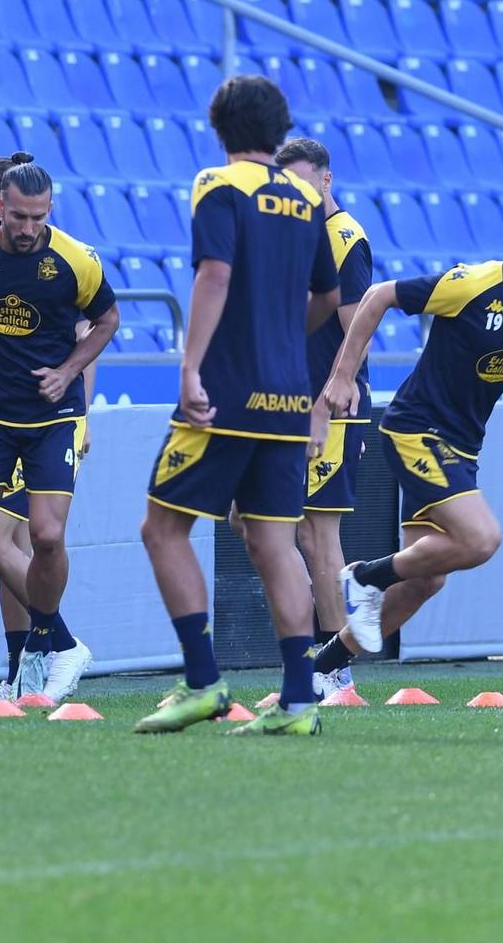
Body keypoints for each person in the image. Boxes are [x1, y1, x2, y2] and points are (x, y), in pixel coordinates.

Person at [312, 204, 503, 689]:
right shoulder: (472, 285)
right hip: (415, 429)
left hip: (463, 448)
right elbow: (379, 295)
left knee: (426, 580)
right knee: (482, 538)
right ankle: (364, 577)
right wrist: (342, 377)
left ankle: (322, 670)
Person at [131, 78, 342, 737]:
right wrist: (278, 333)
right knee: (275, 542)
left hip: (224, 394)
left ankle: (203, 680)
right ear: (279, 131)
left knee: (162, 528)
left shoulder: (217, 184)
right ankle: (301, 702)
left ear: (219, 127)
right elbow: (327, 298)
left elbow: (214, 273)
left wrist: (191, 364)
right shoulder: (308, 197)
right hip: (287, 395)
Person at [0, 154, 118, 708]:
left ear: (49, 210)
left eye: (38, 217)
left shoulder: (76, 260)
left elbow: (107, 320)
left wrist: (69, 373)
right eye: (18, 217)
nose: (29, 229)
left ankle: (41, 649)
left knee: (47, 537)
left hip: (53, 421)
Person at [273, 137, 373, 702]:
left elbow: (357, 328)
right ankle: (309, 659)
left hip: (330, 408)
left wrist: (328, 397)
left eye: (305, 183)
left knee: (316, 533)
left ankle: (335, 670)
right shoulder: (300, 237)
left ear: (327, 181)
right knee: (252, 523)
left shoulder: (343, 238)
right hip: (287, 403)